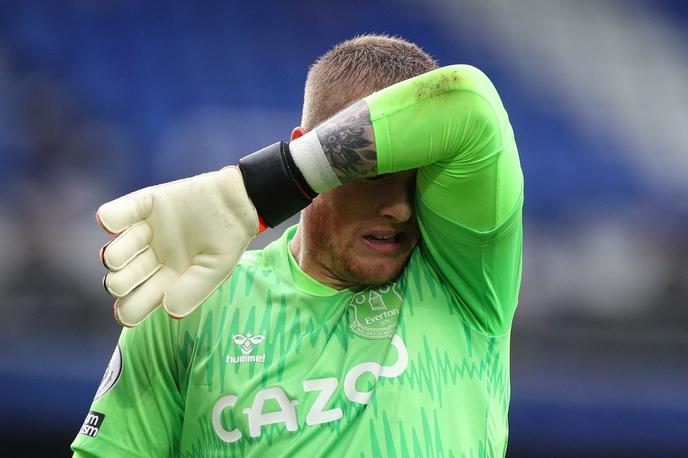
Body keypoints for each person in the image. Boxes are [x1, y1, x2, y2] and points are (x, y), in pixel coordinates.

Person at [72, 34, 523, 457]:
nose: (401, 209)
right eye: (374, 175)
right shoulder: (193, 298)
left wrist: (255, 190)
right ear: (307, 148)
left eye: (419, 180)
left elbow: (467, 102)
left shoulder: (463, 279)